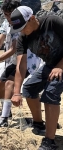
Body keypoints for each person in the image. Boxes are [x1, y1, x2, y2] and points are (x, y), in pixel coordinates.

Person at [10, 6, 63, 149]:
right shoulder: (23, 38)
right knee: (29, 88)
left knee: (50, 93)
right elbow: (21, 66)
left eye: (23, 27)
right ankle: (39, 123)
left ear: (32, 18)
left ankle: (49, 141)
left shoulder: (52, 22)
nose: (21, 31)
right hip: (50, 65)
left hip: (61, 64)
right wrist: (16, 92)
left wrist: (60, 66)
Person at [0, 0, 29, 127]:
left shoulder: (20, 25)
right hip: (12, 62)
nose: (8, 18)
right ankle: (6, 112)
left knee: (9, 83)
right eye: (6, 14)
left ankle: (3, 118)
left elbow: (13, 49)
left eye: (10, 14)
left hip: (25, 60)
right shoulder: (6, 23)